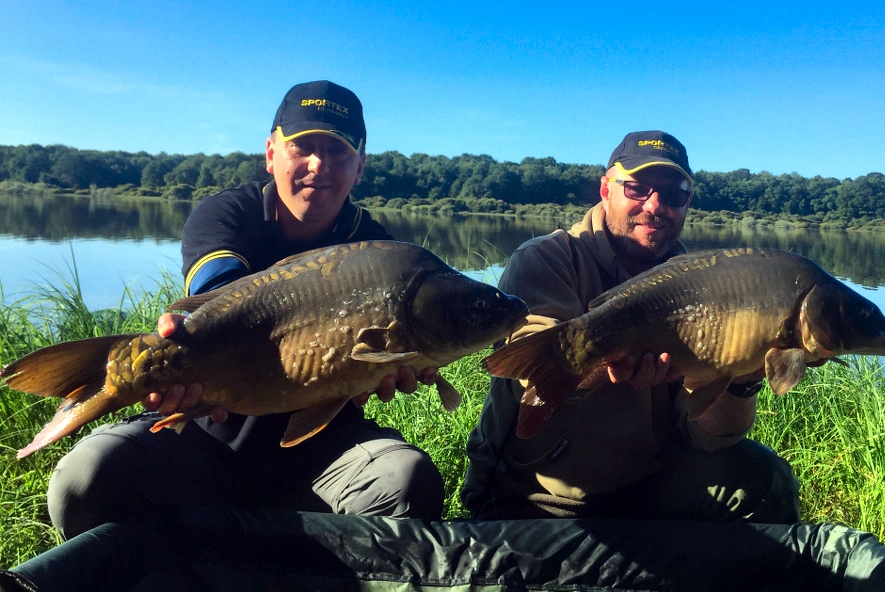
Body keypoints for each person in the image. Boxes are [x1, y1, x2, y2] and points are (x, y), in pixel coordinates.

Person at [47, 81, 444, 540]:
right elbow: (220, 299)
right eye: (303, 147)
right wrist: (167, 364)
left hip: (322, 444)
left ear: (360, 167)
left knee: (407, 481)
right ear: (271, 153)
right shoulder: (227, 213)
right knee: (84, 480)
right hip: (203, 431)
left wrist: (401, 362)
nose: (319, 165)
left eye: (338, 152)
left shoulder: (383, 257)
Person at [462, 130, 800, 522]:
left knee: (765, 478)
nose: (655, 206)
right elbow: (530, 376)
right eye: (637, 188)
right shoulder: (547, 258)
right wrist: (607, 366)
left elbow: (708, 437)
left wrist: (742, 377)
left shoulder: (705, 282)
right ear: (606, 189)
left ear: (687, 203)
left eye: (672, 196)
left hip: (649, 485)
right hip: (539, 495)